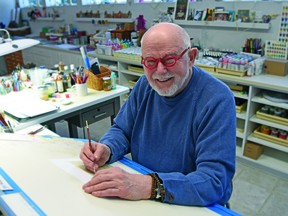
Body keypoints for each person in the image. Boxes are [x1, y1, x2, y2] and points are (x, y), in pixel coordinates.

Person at [80, 22, 236, 206]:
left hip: (189, 203)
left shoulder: (217, 98)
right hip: (146, 193)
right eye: (151, 62)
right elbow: (122, 130)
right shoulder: (145, 85)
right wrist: (107, 148)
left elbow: (214, 181)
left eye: (170, 59)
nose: (160, 71)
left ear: (192, 57)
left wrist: (150, 185)